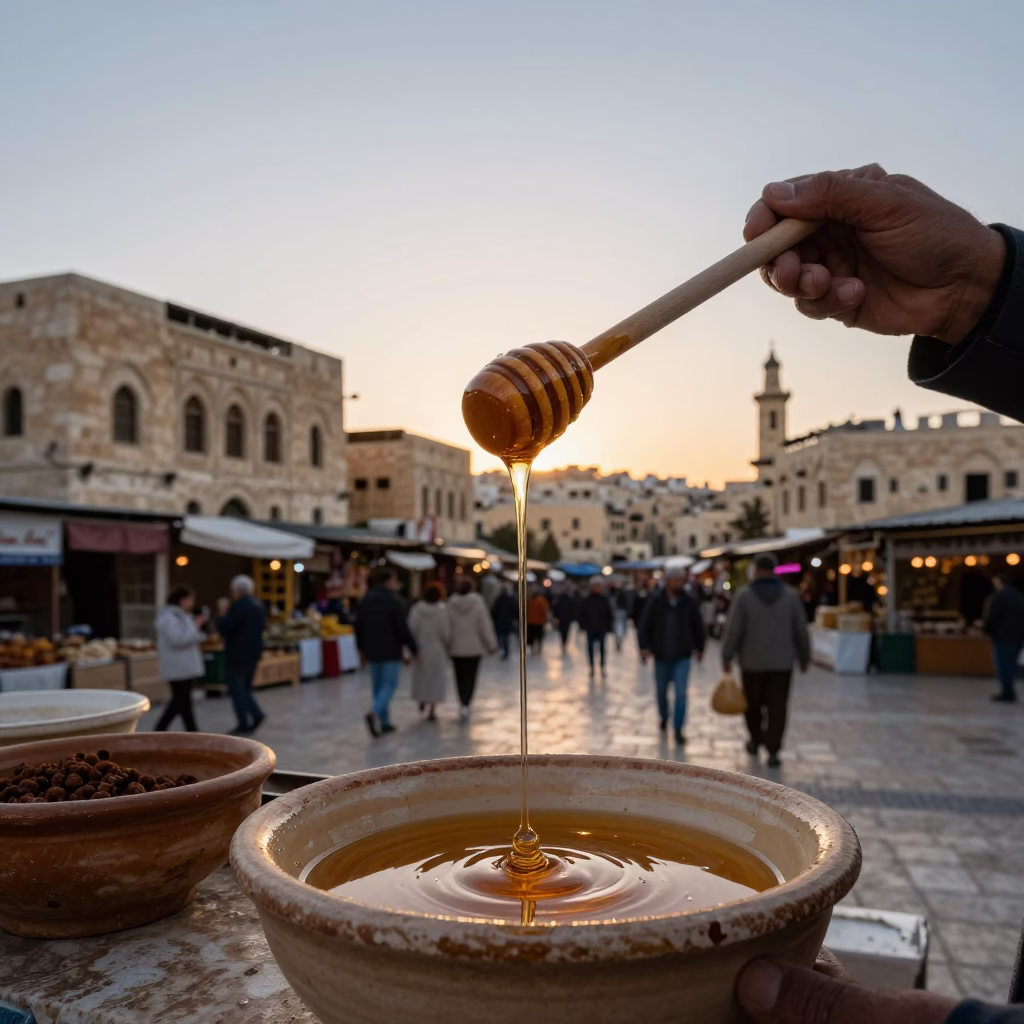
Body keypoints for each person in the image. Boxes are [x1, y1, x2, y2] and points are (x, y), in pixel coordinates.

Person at [742, 163, 1024, 1021]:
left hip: (764, 661)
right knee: (772, 708)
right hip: (779, 662)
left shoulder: (776, 586)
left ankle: (764, 736)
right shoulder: (786, 597)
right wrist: (979, 286)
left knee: (766, 711)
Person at [721, 554, 809, 768]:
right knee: (777, 707)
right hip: (782, 663)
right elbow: (801, 629)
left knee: (752, 705)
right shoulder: (790, 596)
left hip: (752, 663)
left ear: (757, 570)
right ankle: (773, 749)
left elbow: (734, 630)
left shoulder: (744, 597)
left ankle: (755, 739)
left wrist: (727, 655)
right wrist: (804, 656)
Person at [637, 570, 705, 743]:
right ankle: (664, 716)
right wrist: (644, 647)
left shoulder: (689, 602)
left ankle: (678, 728)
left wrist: (700, 647)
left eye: (680, 579)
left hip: (682, 655)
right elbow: (644, 624)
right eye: (674, 579)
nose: (678, 583)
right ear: (667, 581)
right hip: (661, 655)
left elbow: (698, 625)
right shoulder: (655, 601)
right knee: (661, 691)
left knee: (681, 693)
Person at [355, 567, 417, 737]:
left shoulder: (366, 599)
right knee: (389, 685)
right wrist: (413, 648)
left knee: (378, 687)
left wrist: (361, 649)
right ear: (388, 581)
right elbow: (402, 628)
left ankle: (384, 722)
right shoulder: (395, 601)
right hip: (390, 650)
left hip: (372, 650)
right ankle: (375, 713)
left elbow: (358, 627)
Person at [216, 575, 267, 736]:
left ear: (236, 591)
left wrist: (222, 613)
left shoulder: (238, 607)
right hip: (253, 653)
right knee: (245, 688)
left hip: (237, 654)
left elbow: (225, 627)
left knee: (238, 690)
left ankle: (244, 722)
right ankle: (255, 715)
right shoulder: (258, 605)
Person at [154, 585, 207, 732]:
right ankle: (165, 730)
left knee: (182, 703)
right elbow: (177, 639)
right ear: (181, 600)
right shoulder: (169, 618)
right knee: (181, 702)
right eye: (189, 599)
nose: (192, 603)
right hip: (177, 668)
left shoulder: (182, 615)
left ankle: (190, 731)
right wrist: (196, 626)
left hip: (184, 667)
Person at [448, 578, 497, 717]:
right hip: (474, 648)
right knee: (471, 676)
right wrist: (491, 645)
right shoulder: (478, 602)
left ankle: (461, 700)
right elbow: (484, 625)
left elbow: (446, 625)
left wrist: (446, 643)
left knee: (459, 676)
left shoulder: (451, 603)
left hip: (456, 647)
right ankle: (466, 702)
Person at [407, 582, 452, 721]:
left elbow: (411, 629)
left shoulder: (416, 610)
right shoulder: (442, 611)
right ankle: (432, 709)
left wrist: (409, 650)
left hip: (420, 648)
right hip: (437, 649)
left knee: (421, 676)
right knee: (435, 679)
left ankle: (421, 699)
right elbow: (446, 632)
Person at [984, 572, 1024, 703]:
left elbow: (994, 617)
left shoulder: (999, 597)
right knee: (1011, 665)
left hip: (1002, 637)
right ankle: (1009, 691)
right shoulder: (1018, 597)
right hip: (1017, 637)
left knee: (1003, 666)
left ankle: (1007, 692)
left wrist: (986, 629)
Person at [578, 579, 614, 677]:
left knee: (602, 648)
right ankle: (591, 667)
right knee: (590, 648)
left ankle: (602, 666)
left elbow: (609, 613)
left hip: (601, 628)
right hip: (590, 628)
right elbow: (582, 613)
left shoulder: (604, 599)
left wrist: (609, 626)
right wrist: (582, 626)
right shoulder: (587, 600)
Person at [491, 583, 517, 660]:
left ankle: (502, 649)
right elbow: (514, 610)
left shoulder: (498, 599)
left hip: (500, 622)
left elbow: (493, 610)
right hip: (507, 622)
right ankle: (505, 650)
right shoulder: (510, 599)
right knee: (505, 637)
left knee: (501, 636)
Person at [552, 587, 579, 653]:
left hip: (562, 618)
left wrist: (556, 616)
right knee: (565, 631)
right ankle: (564, 641)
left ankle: (563, 641)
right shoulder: (569, 599)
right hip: (566, 619)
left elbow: (555, 608)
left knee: (562, 631)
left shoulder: (560, 599)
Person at [611, 587, 630, 652]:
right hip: (622, 612)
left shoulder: (616, 596)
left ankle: (618, 640)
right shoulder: (624, 596)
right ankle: (619, 640)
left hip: (618, 612)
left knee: (618, 627)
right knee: (621, 628)